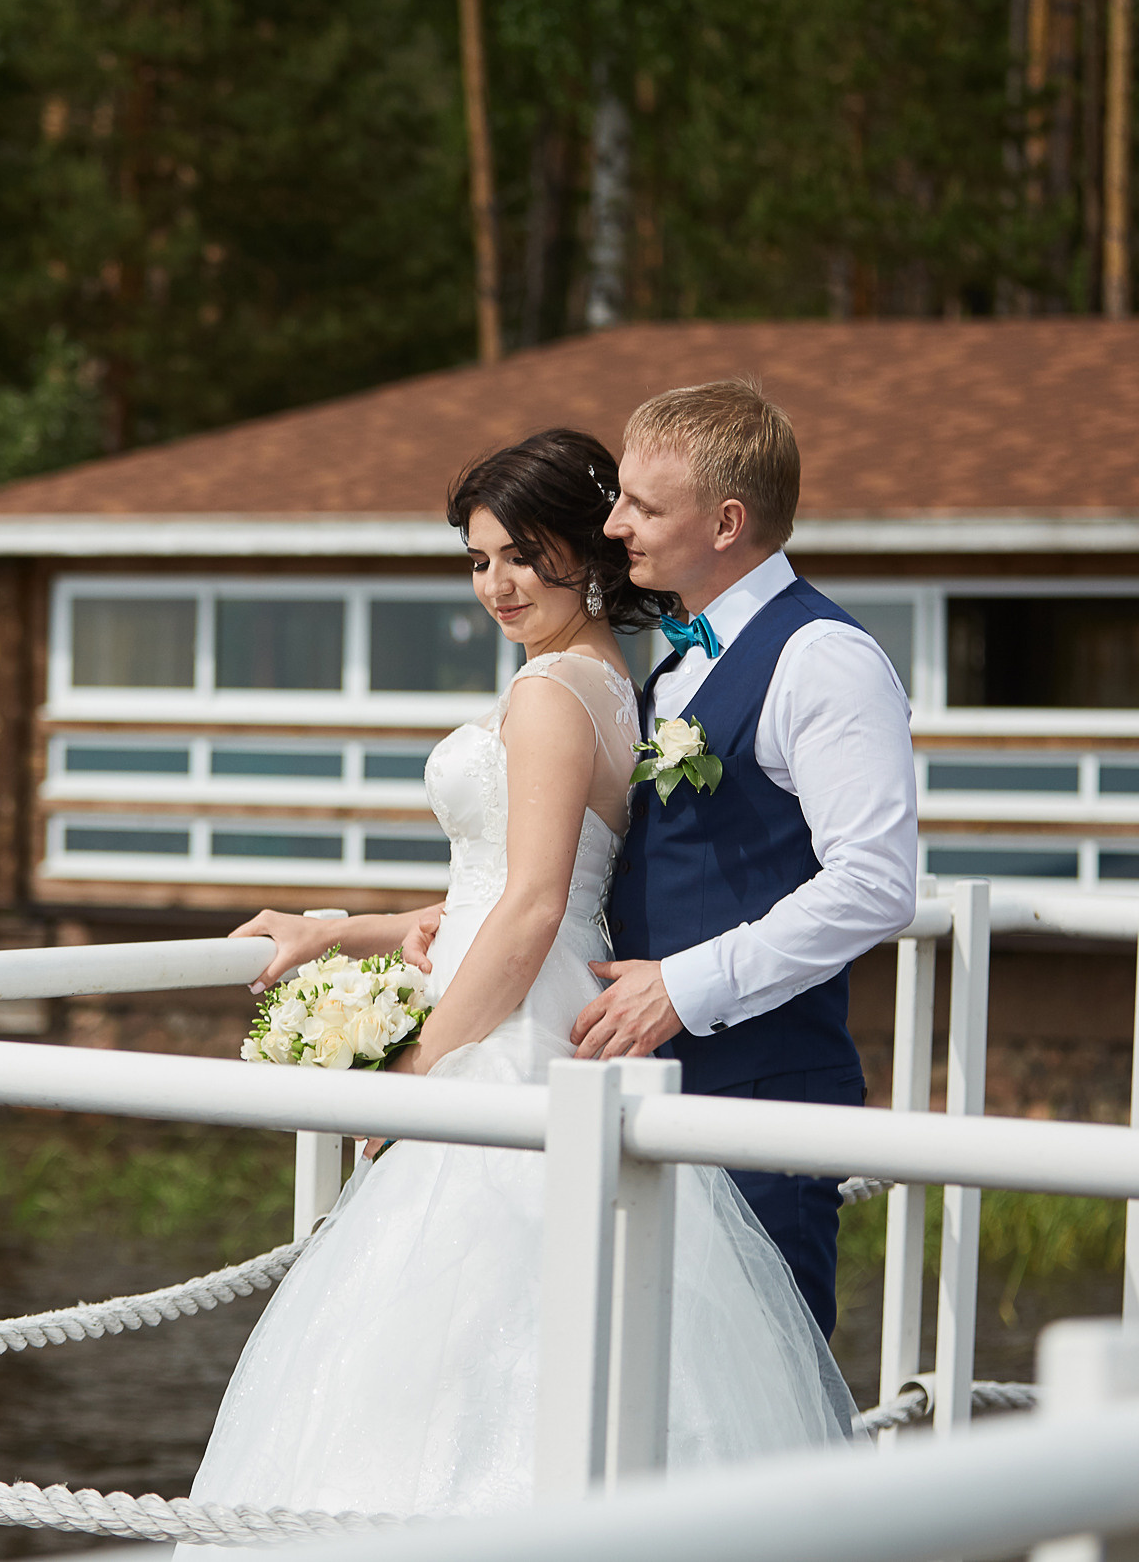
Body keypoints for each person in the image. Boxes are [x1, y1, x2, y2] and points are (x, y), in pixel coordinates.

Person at [186, 427, 852, 1536]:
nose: (497, 584)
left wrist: (413, 1070)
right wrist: (345, 929)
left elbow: (535, 903)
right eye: (477, 559)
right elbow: (502, 890)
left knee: (454, 1342)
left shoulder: (551, 693)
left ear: (584, 553)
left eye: (520, 554)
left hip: (510, 1038)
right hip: (532, 1002)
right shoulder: (618, 678)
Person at [581, 377, 919, 1339]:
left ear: (726, 521)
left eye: (643, 505)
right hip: (650, 1090)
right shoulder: (681, 656)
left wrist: (683, 988)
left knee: (765, 1401)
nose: (614, 525)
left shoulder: (823, 658)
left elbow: (875, 884)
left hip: (761, 1094)